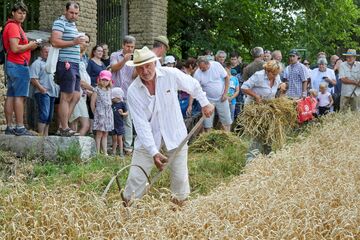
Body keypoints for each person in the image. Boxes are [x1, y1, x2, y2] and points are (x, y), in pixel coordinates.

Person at [123, 46, 214, 205]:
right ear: (136, 69)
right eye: (140, 68)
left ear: (154, 63)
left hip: (175, 133)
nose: (145, 71)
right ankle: (128, 207)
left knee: (180, 178)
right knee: (137, 176)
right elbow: (141, 125)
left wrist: (205, 103)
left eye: (148, 66)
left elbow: (193, 85)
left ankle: (178, 210)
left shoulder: (170, 74)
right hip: (149, 138)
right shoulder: (133, 91)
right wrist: (153, 152)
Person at [3, 2, 39, 135]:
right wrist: (30, 45)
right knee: (19, 96)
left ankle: (9, 127)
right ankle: (19, 127)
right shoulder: (13, 27)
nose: (22, 15)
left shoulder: (15, 26)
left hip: (14, 64)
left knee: (11, 96)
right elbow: (15, 48)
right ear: (13, 13)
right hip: (18, 65)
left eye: (24, 13)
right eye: (19, 12)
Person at [50, 1, 84, 136]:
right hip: (66, 63)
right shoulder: (60, 22)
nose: (73, 15)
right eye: (71, 13)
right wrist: (73, 42)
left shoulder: (73, 24)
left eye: (76, 13)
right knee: (66, 95)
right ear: (65, 11)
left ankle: (62, 126)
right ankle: (64, 127)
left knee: (76, 95)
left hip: (75, 63)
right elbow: (54, 41)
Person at [241, 60, 282, 161]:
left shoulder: (276, 76)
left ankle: (267, 156)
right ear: (267, 71)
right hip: (255, 109)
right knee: (257, 133)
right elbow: (244, 87)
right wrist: (256, 96)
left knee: (268, 132)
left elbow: (278, 86)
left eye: (277, 74)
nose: (276, 76)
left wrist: (282, 86)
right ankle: (250, 159)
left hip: (268, 109)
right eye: (274, 73)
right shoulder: (258, 76)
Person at [110, 35, 136, 155]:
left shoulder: (136, 58)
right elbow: (114, 68)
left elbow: (134, 76)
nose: (130, 49)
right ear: (123, 45)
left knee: (127, 120)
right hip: (115, 94)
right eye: (128, 46)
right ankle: (112, 145)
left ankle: (127, 147)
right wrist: (124, 60)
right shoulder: (115, 55)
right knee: (112, 118)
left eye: (132, 47)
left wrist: (139, 66)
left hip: (128, 93)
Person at [193, 56, 232, 132]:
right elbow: (196, 89)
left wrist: (225, 93)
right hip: (207, 100)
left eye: (203, 68)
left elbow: (227, 77)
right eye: (200, 67)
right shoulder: (197, 73)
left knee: (227, 121)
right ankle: (209, 140)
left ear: (208, 64)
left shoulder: (216, 65)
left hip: (221, 97)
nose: (201, 69)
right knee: (207, 123)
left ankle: (228, 136)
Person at [30, 44, 60, 136]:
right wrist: (41, 89)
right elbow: (33, 79)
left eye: (49, 52)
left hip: (52, 93)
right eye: (46, 51)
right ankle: (40, 135)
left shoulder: (51, 63)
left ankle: (45, 136)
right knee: (44, 115)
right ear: (41, 52)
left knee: (49, 117)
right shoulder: (37, 63)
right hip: (42, 92)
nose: (48, 53)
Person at [69, 34, 92, 136]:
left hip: (83, 94)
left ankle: (76, 146)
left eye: (87, 42)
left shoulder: (85, 57)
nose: (85, 44)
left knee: (85, 125)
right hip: (75, 91)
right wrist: (94, 89)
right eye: (84, 41)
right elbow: (79, 78)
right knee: (74, 122)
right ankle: (72, 146)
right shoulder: (74, 55)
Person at [90, 70, 114, 154]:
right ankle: (97, 151)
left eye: (106, 80)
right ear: (99, 80)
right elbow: (92, 103)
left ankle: (105, 152)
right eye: (103, 80)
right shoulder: (97, 90)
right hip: (100, 114)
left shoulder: (109, 90)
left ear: (109, 81)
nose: (104, 82)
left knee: (105, 133)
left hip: (108, 114)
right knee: (99, 133)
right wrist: (95, 113)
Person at [111, 87, 128, 157]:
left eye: (113, 97)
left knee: (120, 139)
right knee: (114, 139)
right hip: (113, 124)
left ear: (118, 97)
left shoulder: (122, 104)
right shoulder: (112, 104)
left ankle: (121, 152)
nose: (112, 98)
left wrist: (122, 114)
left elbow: (127, 113)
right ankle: (114, 152)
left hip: (120, 124)